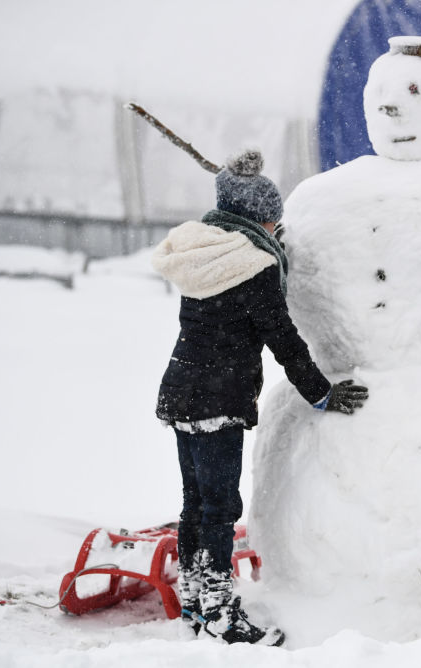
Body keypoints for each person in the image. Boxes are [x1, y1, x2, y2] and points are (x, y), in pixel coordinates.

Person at [151, 150, 369, 645]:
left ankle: (196, 602)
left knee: (195, 503)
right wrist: (322, 394)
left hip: (181, 391)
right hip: (218, 398)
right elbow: (283, 337)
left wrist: (269, 248)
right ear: (254, 217)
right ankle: (223, 614)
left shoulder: (205, 251)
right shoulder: (253, 265)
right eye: (272, 217)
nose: (277, 223)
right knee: (221, 507)